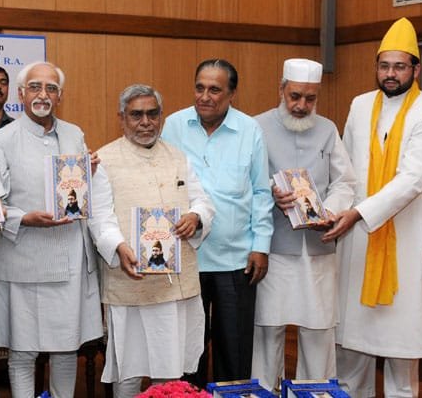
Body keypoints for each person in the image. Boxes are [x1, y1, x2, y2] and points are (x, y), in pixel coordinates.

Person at [0, 61, 137, 398]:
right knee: (23, 350)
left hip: (71, 259)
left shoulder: (74, 133)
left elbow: (83, 191)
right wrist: (24, 218)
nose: (43, 95)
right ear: (21, 94)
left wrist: (90, 171)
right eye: (36, 87)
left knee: (66, 346)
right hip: (24, 259)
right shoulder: (1, 140)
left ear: (60, 96)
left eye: (51, 88)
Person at [321, 17, 422, 398]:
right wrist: (330, 209)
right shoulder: (360, 106)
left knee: (401, 360)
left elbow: (411, 180)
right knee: (351, 353)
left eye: (399, 66)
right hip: (357, 243)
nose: (391, 74)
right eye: (384, 66)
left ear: (416, 69)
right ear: (376, 67)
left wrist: (357, 213)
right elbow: (346, 170)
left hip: (404, 242)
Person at [97, 84, 215, 398]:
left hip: (174, 285)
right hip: (129, 280)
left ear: (161, 116)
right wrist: (119, 247)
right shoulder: (104, 160)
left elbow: (203, 201)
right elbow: (99, 218)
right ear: (121, 118)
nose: (146, 121)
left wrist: (196, 216)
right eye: (137, 115)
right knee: (129, 367)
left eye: (152, 114)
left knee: (170, 366)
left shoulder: (178, 157)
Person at [161, 58, 273, 387]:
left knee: (234, 350)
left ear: (232, 93)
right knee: (187, 352)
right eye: (199, 88)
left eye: (214, 89)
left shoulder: (249, 130)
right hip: (185, 259)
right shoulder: (174, 126)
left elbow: (262, 192)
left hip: (235, 257)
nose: (205, 96)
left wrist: (260, 246)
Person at [250, 59, 355, 393]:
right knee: (268, 330)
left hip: (318, 245)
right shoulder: (256, 127)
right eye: (295, 96)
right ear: (281, 89)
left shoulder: (327, 129)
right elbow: (245, 179)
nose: (301, 106)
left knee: (319, 330)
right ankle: (264, 391)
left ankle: (317, 392)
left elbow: (345, 182)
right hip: (273, 248)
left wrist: (332, 209)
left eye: (310, 99)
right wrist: (270, 190)